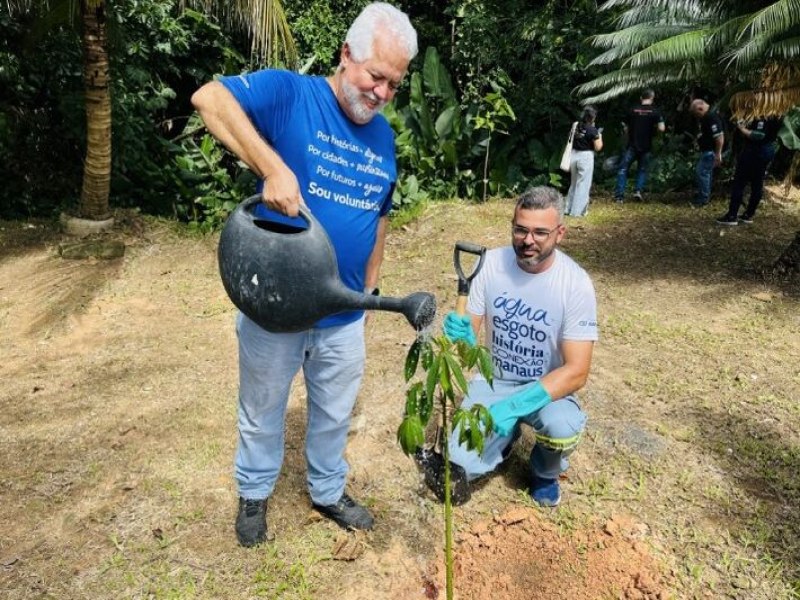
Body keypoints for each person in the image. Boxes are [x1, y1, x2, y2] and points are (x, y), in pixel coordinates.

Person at [191, 2, 418, 547]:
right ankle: (253, 491)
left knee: (334, 412)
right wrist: (273, 167)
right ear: (346, 55)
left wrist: (369, 291)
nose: (382, 93)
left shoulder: (383, 138)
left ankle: (327, 488)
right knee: (263, 406)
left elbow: (378, 217)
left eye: (395, 83)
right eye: (375, 76)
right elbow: (209, 99)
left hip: (343, 309)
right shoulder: (293, 95)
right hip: (279, 305)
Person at [434, 186, 598, 507]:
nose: (528, 240)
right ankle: (505, 443)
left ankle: (544, 471)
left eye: (540, 232)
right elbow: (468, 350)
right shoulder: (489, 265)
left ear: (560, 233)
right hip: (493, 382)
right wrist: (463, 335)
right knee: (460, 463)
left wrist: (512, 408)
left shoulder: (575, 283)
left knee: (561, 426)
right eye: (520, 229)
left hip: (546, 389)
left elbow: (577, 372)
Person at [715, 115, 782, 225]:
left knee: (740, 182)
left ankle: (732, 216)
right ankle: (748, 214)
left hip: (755, 151)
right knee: (757, 183)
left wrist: (742, 128)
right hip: (767, 149)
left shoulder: (764, 116)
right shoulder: (777, 114)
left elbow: (759, 135)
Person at [614, 89, 665, 203]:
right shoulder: (655, 112)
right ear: (652, 98)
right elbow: (662, 128)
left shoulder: (632, 110)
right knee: (642, 170)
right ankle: (637, 191)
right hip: (646, 146)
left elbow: (625, 129)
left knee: (623, 169)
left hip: (632, 145)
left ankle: (619, 197)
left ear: (641, 98)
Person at [565, 106, 603, 217]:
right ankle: (577, 212)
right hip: (585, 157)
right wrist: (599, 135)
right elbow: (598, 147)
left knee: (574, 183)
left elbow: (570, 137)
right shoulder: (593, 130)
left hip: (574, 155)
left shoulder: (575, 125)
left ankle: (568, 208)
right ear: (593, 118)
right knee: (583, 184)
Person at [689, 99, 725, 207]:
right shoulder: (708, 116)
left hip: (711, 151)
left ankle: (703, 198)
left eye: (697, 114)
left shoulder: (711, 117)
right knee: (706, 173)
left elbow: (719, 137)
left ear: (700, 108)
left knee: (702, 172)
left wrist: (718, 154)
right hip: (708, 150)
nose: (697, 117)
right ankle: (704, 195)